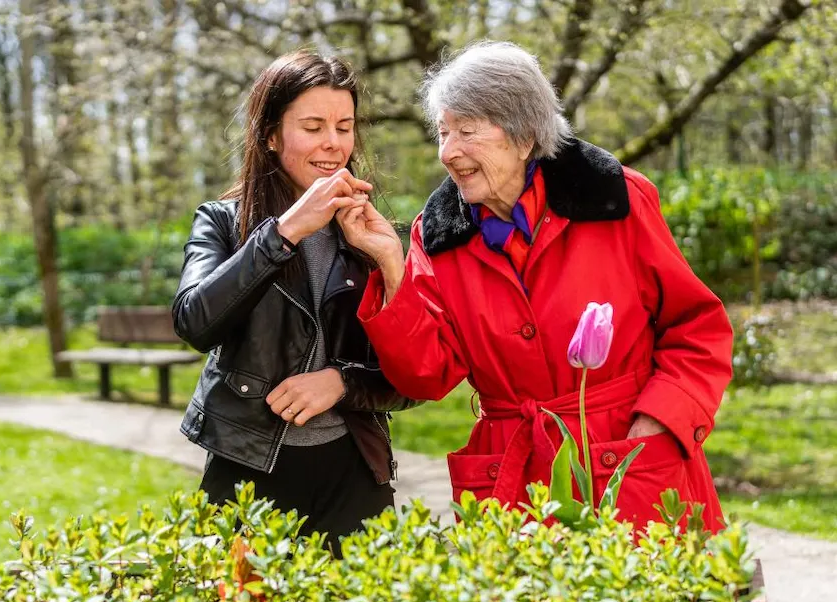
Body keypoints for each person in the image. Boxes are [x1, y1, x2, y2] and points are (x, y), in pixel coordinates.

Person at [337, 42, 733, 532]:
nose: (447, 152)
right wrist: (392, 266)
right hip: (514, 477)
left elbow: (696, 329)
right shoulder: (436, 236)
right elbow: (426, 377)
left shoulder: (616, 199)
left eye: (466, 131)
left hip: (629, 461)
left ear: (524, 133)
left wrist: (659, 423)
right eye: (442, 133)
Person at [172, 51, 416, 555]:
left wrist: (343, 382)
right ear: (270, 135)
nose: (333, 142)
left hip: (353, 476)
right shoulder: (223, 223)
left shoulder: (374, 234)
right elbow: (195, 322)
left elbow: (417, 377)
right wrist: (282, 234)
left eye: (344, 127)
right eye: (313, 125)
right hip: (246, 474)